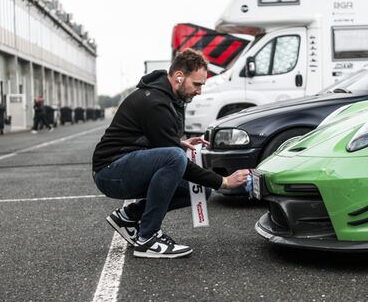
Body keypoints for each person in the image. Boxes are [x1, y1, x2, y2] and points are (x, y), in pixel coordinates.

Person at [92, 48, 250, 259]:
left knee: (200, 192)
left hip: (127, 165)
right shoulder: (155, 102)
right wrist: (224, 181)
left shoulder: (167, 97)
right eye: (197, 84)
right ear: (178, 77)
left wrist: (178, 143)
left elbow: (155, 140)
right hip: (110, 172)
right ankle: (147, 238)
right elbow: (173, 157)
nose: (200, 91)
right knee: (175, 157)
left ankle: (129, 217)